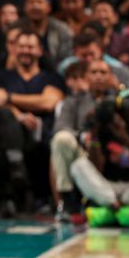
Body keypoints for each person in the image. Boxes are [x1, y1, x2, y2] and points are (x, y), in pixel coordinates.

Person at [0, 29, 65, 214]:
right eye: (21, 46)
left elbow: (47, 103)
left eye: (31, 47)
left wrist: (9, 97)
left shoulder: (52, 77)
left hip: (40, 136)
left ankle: (22, 178)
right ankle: (15, 168)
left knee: (8, 118)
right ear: (14, 50)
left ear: (40, 51)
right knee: (5, 116)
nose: (25, 50)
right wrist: (19, 115)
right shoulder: (1, 75)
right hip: (10, 135)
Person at [51, 59, 117, 219]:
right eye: (94, 72)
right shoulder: (74, 100)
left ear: (111, 77)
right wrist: (82, 136)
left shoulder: (119, 101)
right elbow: (61, 127)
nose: (98, 77)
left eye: (103, 72)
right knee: (61, 139)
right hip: (83, 154)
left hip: (113, 155)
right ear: (86, 77)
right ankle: (68, 201)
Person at [73, 90, 129, 228]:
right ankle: (116, 206)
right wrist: (95, 135)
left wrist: (124, 137)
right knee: (79, 165)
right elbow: (97, 167)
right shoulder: (105, 130)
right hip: (109, 187)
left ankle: (114, 210)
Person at [23, 0, 73, 67]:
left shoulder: (62, 29)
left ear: (49, 7)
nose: (35, 6)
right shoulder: (17, 29)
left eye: (39, 2)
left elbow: (66, 60)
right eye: (31, 2)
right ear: (25, 7)